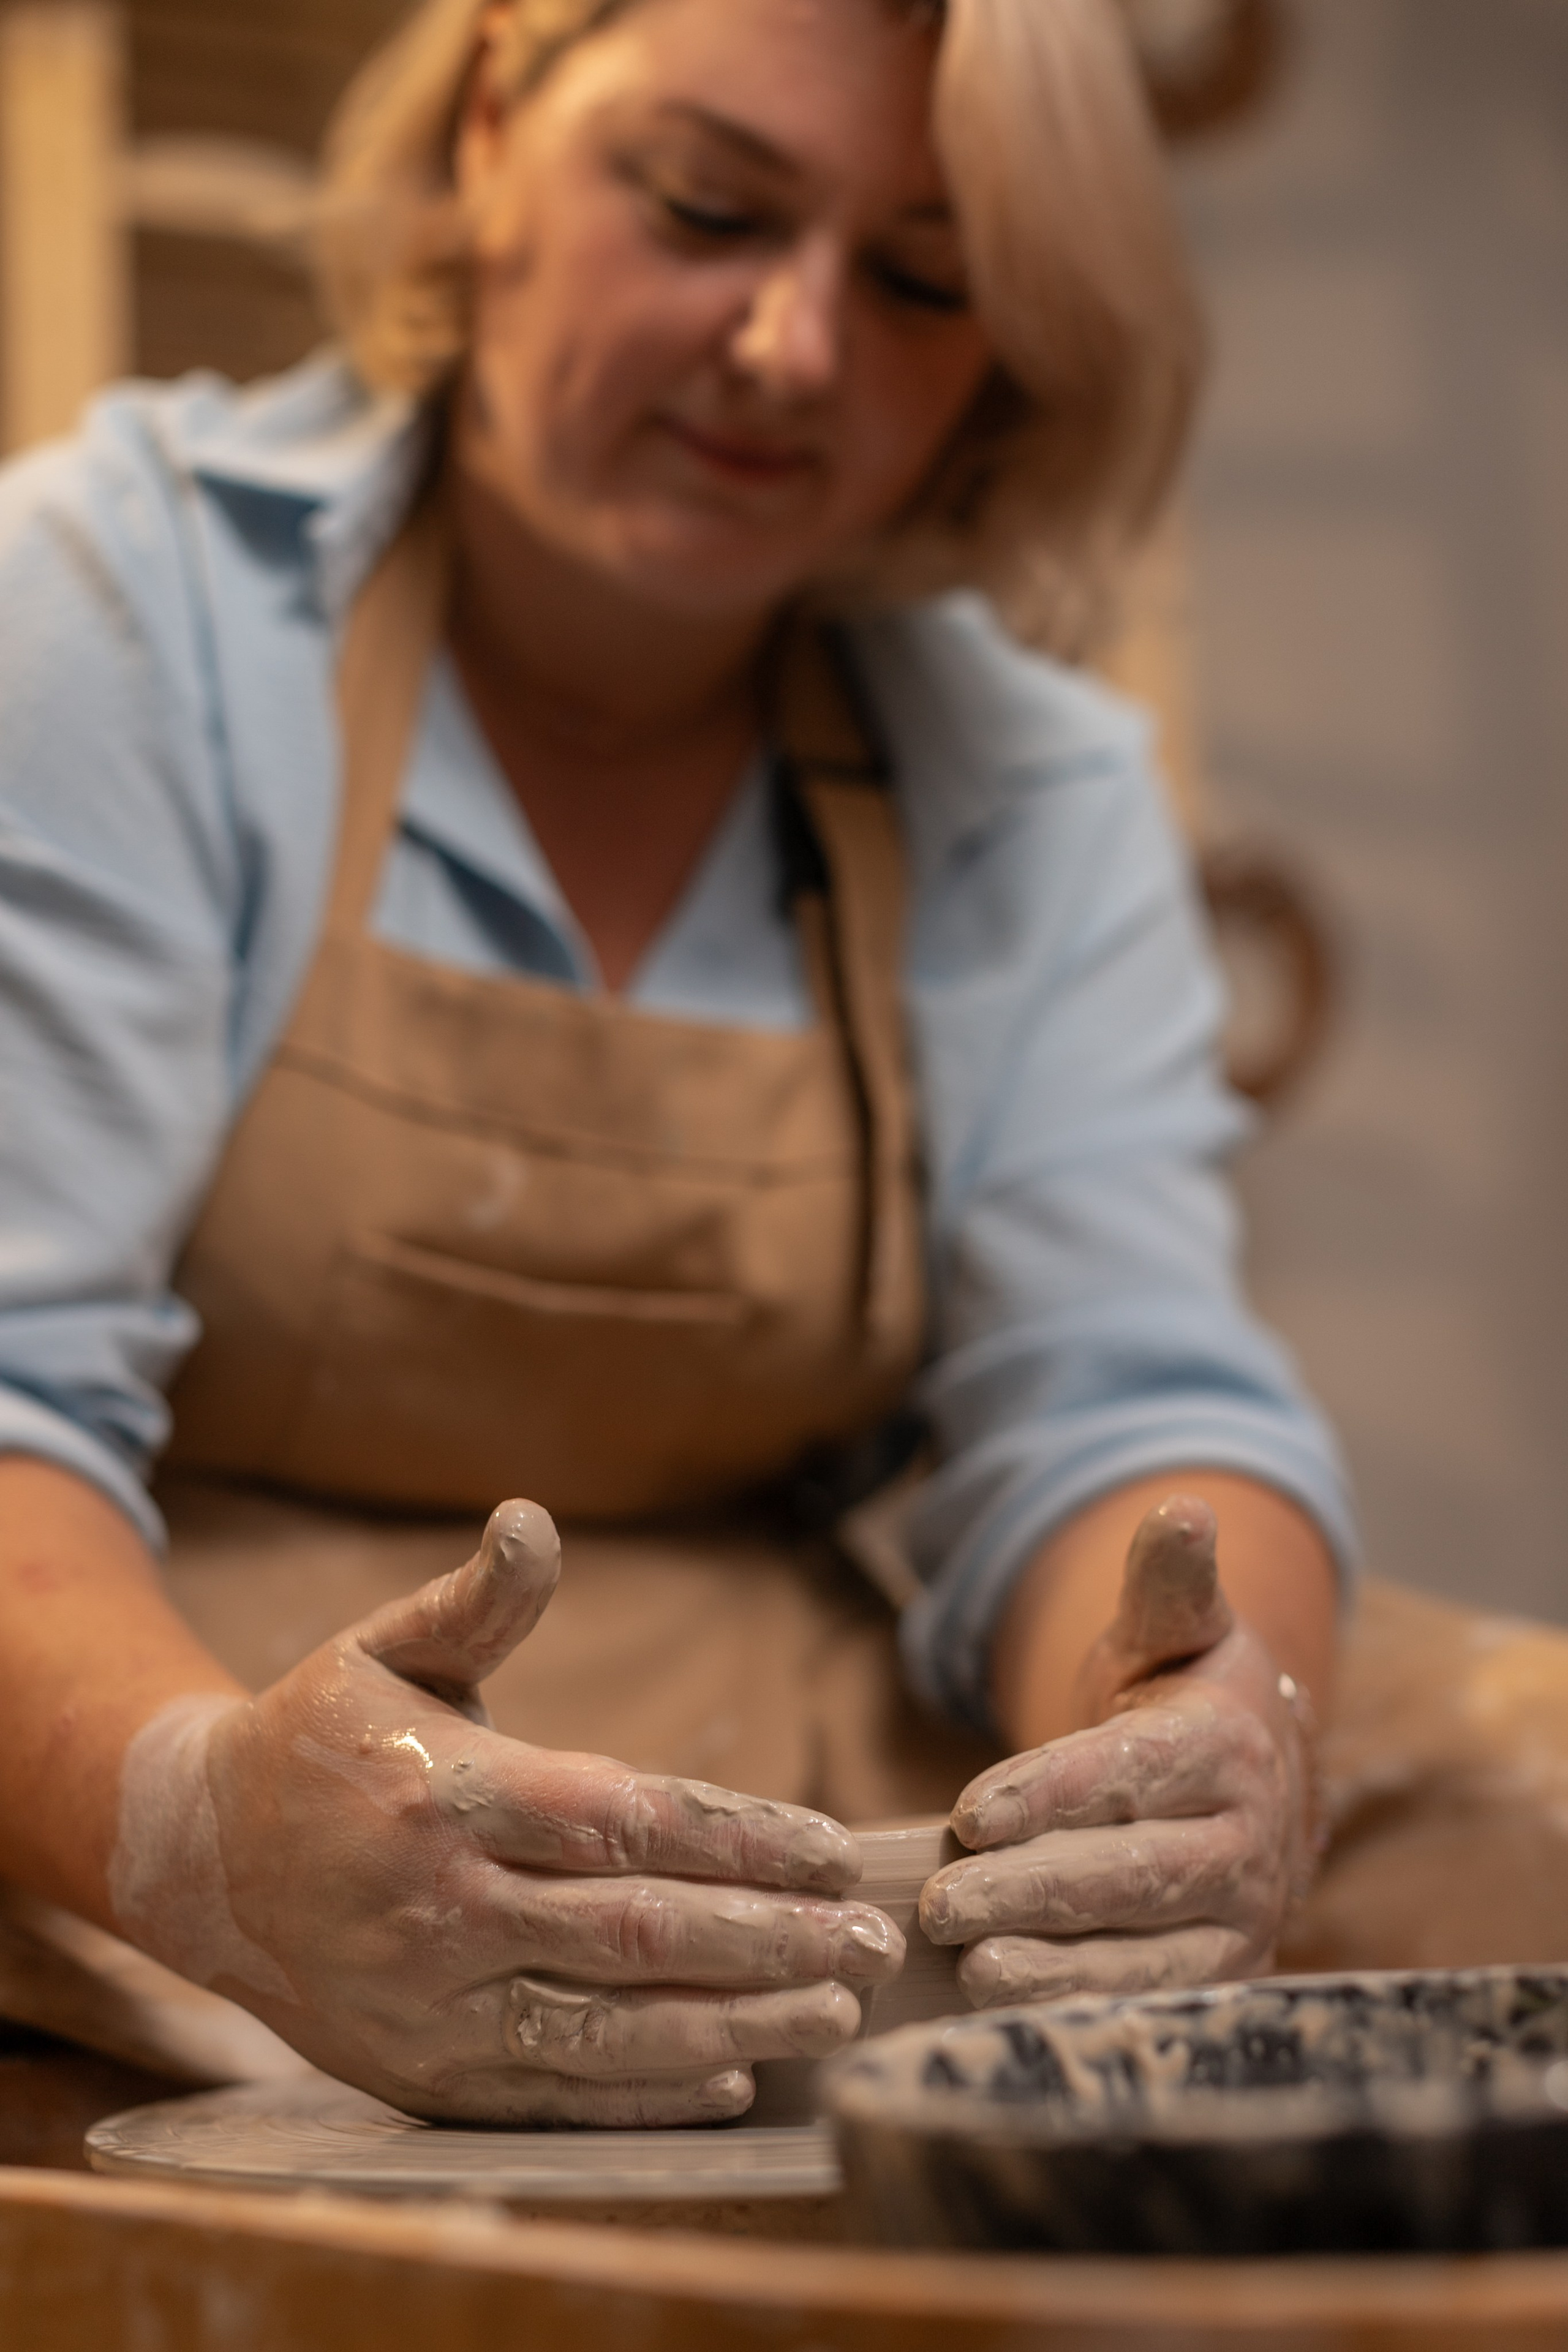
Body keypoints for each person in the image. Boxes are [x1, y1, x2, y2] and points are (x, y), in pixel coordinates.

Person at [0, 0, 1354, 2127]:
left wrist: (1197, 1735)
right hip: (145, 1818)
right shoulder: (118, 611)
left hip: (791, 1848)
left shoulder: (1022, 779)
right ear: (490, 121)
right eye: (708, 208)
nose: (790, 350)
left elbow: (1128, 1397)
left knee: (1486, 1774)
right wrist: (202, 1828)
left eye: (918, 280)